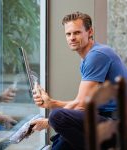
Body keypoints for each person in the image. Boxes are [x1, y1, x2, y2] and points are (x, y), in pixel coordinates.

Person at [31, 11, 127, 150]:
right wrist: (51, 103)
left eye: (77, 33)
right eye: (68, 34)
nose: (72, 38)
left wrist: (49, 120)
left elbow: (81, 105)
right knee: (61, 143)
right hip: (103, 117)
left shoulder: (97, 55)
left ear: (90, 32)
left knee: (57, 116)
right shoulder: (89, 58)